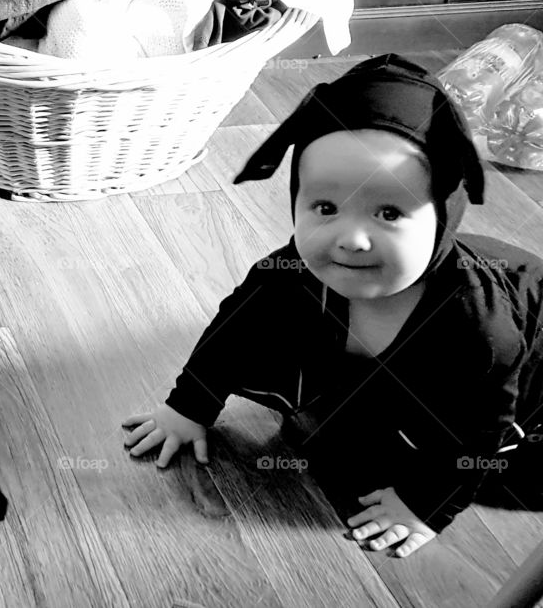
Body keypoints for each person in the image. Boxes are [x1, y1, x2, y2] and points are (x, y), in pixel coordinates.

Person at [123, 54, 543, 558]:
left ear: (441, 218)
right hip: (387, 370)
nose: (352, 239)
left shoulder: (478, 326)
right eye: (325, 208)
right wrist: (188, 407)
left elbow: (481, 431)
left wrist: (426, 503)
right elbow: (233, 333)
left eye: (389, 212)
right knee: (324, 395)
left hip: (521, 383)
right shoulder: (288, 275)